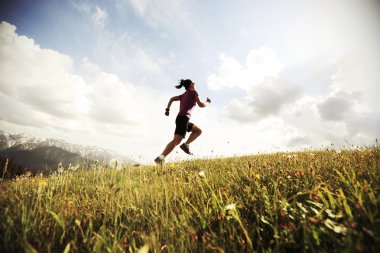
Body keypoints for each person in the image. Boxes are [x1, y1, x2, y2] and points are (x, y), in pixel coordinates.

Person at [154, 79, 211, 165]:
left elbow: (172, 99)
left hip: (182, 119)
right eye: (193, 83)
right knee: (176, 141)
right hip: (183, 119)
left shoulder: (184, 94)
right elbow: (201, 105)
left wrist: (167, 110)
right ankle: (160, 158)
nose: (194, 84)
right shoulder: (194, 93)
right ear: (191, 84)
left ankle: (186, 145)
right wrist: (207, 102)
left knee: (198, 131)